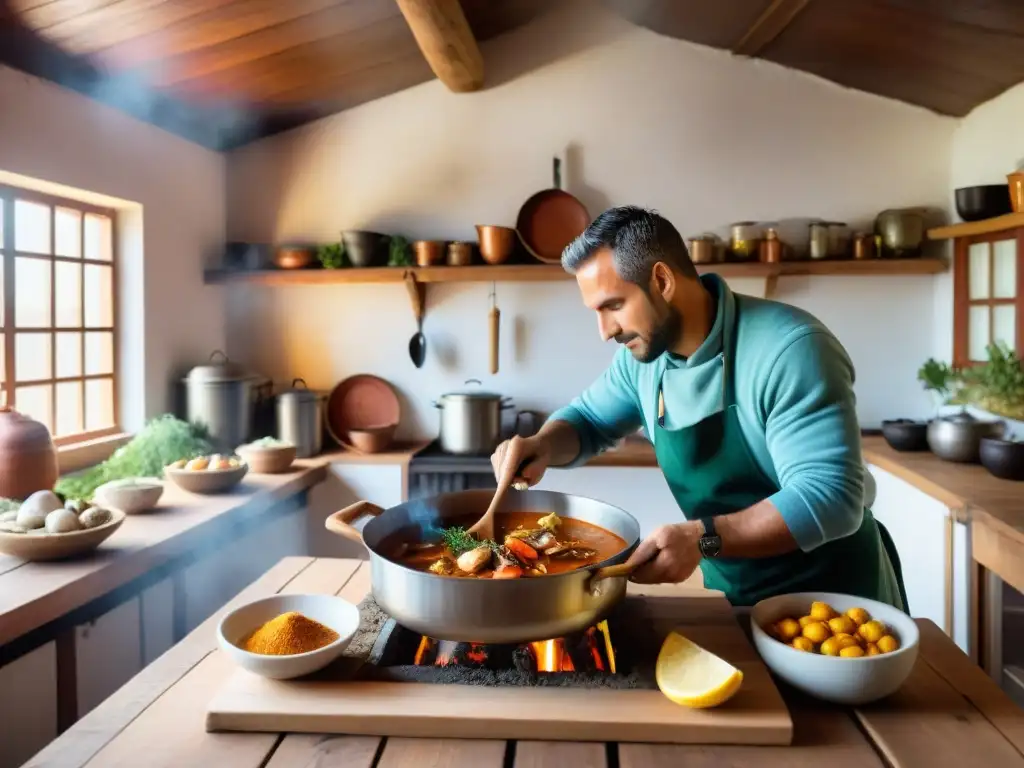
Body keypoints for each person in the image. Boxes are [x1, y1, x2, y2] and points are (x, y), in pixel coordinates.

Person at [490, 206, 907, 610]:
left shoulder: (791, 349)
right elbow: (588, 422)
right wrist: (542, 444)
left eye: (613, 305)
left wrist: (702, 538)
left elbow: (831, 497)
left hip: (836, 604)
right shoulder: (643, 361)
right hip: (736, 595)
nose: (605, 332)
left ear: (661, 280)